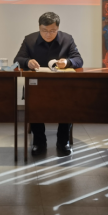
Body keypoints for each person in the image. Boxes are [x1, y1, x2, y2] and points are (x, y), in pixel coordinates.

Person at [14, 12, 83, 156]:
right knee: (34, 103)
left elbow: (78, 60)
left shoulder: (67, 39)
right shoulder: (30, 39)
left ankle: (63, 141)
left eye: (52, 31)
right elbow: (18, 59)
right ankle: (39, 142)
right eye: (44, 30)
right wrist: (27, 62)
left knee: (68, 103)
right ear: (39, 27)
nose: (48, 34)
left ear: (58, 28)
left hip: (62, 86)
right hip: (36, 85)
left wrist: (67, 62)